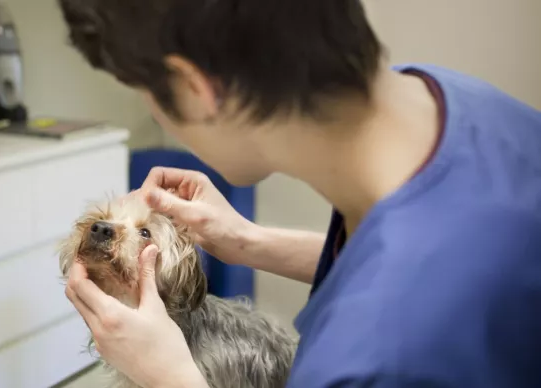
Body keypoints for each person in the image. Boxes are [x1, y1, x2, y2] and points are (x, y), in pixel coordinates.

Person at [58, 0, 541, 386]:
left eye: (143, 91)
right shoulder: (458, 101)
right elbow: (435, 259)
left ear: (194, 87)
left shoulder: (365, 360)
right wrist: (248, 242)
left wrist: (170, 377)